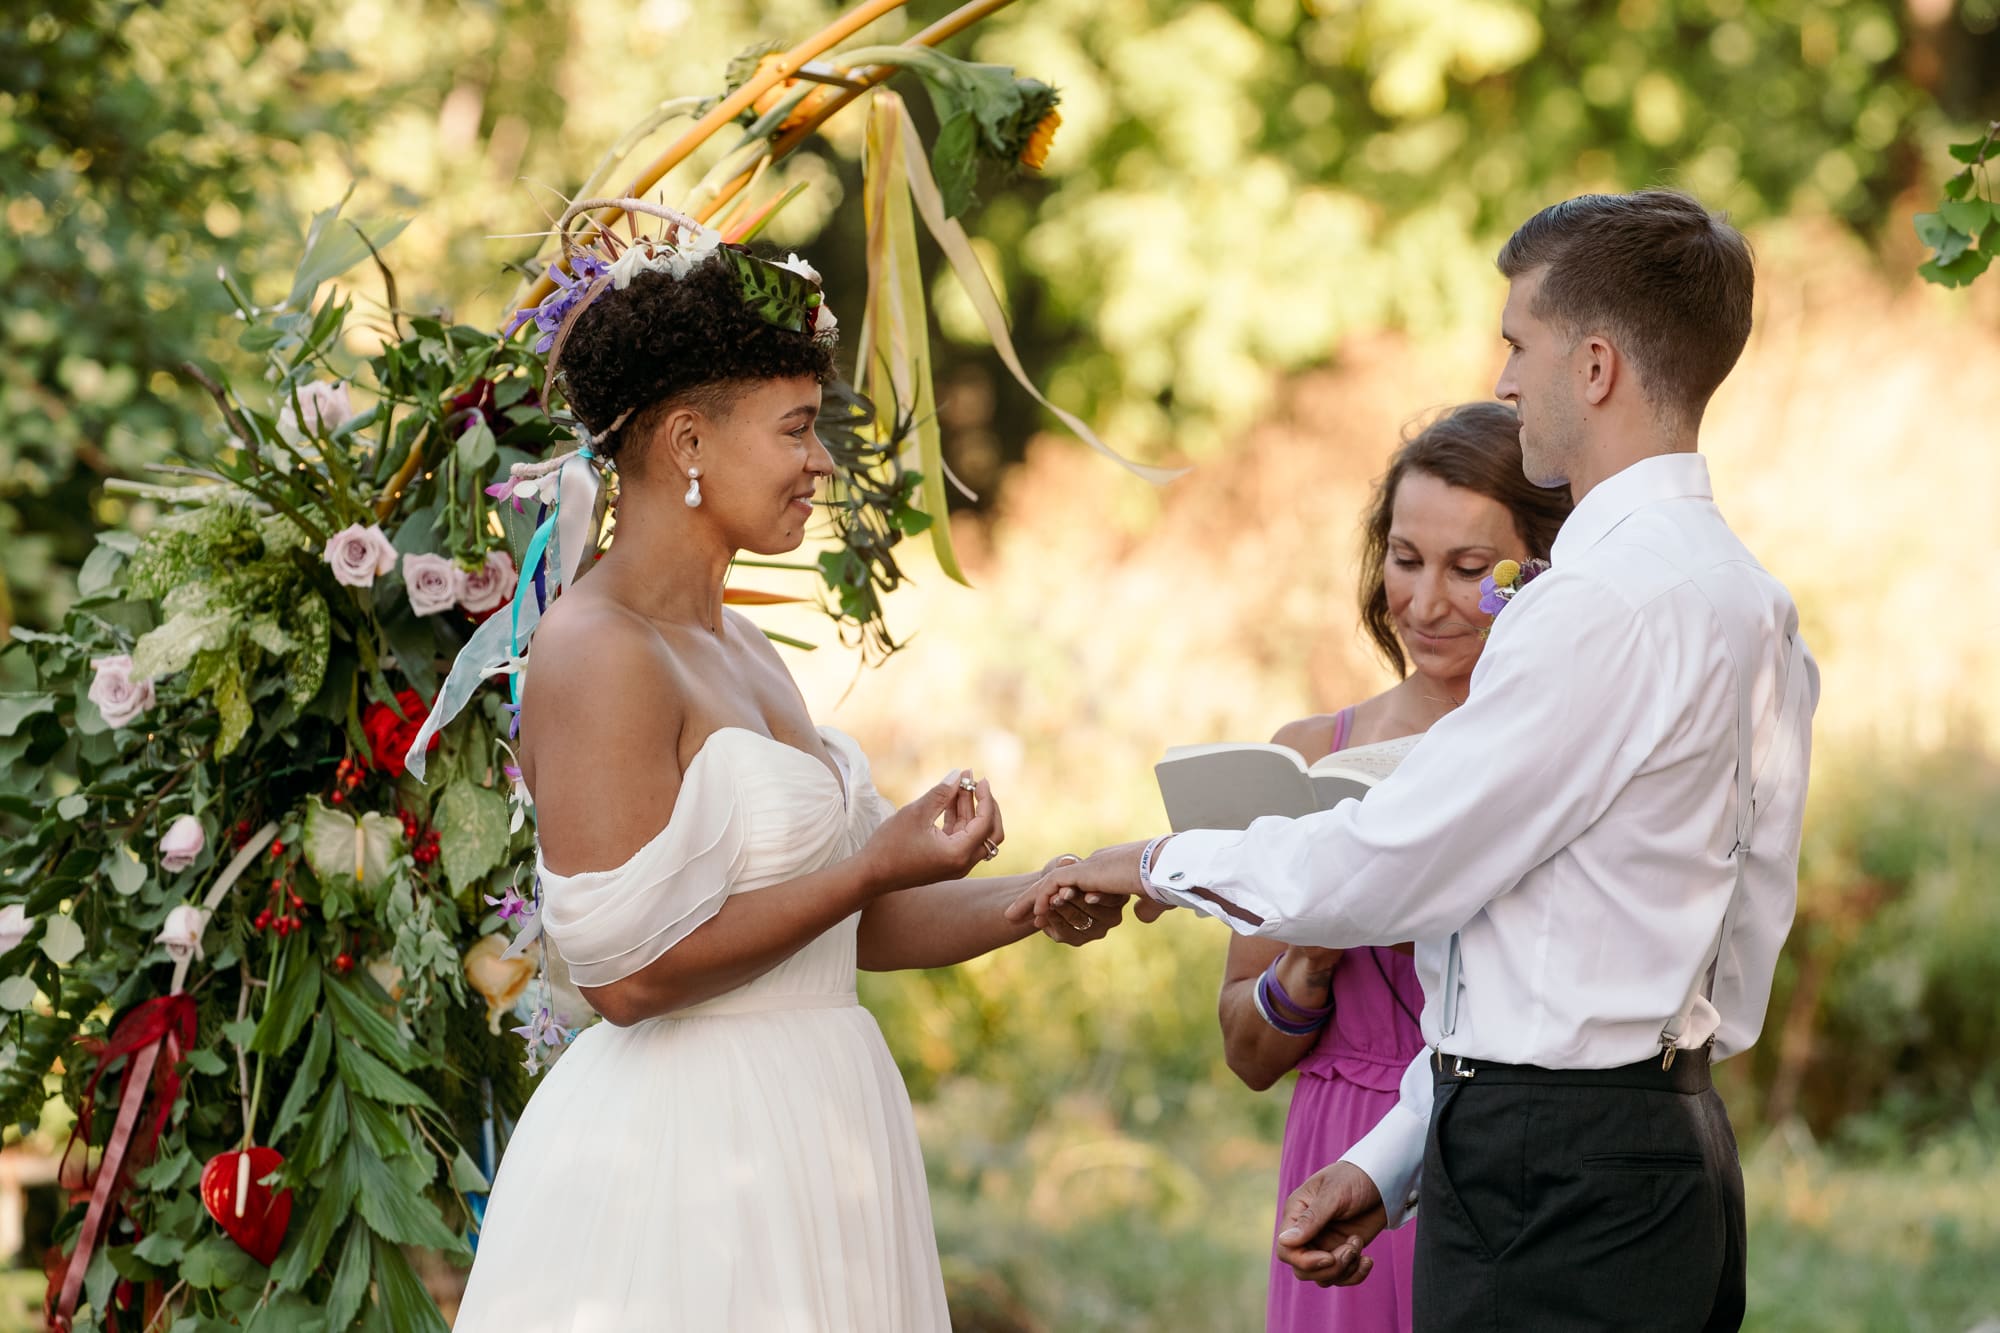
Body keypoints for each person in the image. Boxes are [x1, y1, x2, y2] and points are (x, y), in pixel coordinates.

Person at [1010, 190, 1818, 1332]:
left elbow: (1400, 857)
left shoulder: (1590, 605)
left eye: (1515, 343)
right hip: (1664, 1157)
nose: (1500, 380)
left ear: (1592, 366)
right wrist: (1391, 1163)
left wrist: (1152, 861)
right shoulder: (1753, 602)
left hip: (1551, 1188)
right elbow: (1707, 954)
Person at [452, 230, 1120, 1332]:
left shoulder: (747, 650)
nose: (821, 464)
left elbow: (829, 931)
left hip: (823, 1132)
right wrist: (869, 863)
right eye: (798, 430)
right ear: (685, 442)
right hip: (688, 1164)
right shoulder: (597, 648)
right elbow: (624, 977)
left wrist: (1026, 898)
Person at [1220, 401, 1570, 1333]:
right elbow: (1246, 1055)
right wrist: (1309, 958)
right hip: (1333, 1149)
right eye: (1405, 560)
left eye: (1467, 569)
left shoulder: (1565, 753)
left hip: (1497, 1142)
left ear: (1538, 571)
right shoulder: (1307, 754)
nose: (1422, 602)